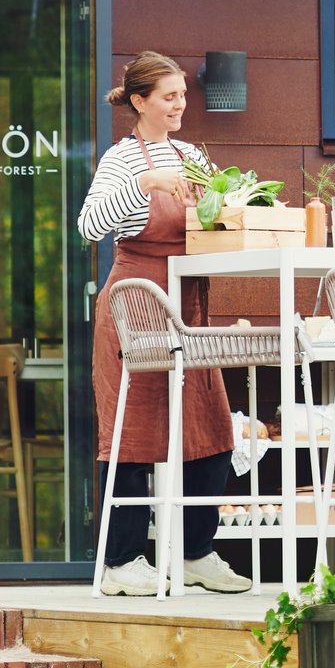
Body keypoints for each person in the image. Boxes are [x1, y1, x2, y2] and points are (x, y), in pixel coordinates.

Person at [77, 50, 251, 596]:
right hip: (138, 304)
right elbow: (89, 225)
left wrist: (230, 207)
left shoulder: (192, 154)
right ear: (140, 102)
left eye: (182, 96)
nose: (180, 105)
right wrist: (147, 183)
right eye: (169, 96)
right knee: (132, 434)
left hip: (190, 304)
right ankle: (123, 562)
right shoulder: (122, 159)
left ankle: (197, 552)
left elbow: (213, 221)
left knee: (212, 431)